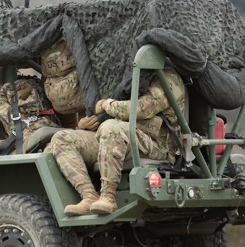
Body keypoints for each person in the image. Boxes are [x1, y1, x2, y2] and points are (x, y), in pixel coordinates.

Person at [45, 68, 185, 216]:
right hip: (119, 137)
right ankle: (88, 195)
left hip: (156, 145)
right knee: (63, 138)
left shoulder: (168, 78)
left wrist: (106, 105)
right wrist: (86, 123)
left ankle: (108, 196)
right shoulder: (126, 76)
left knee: (112, 128)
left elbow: (140, 108)